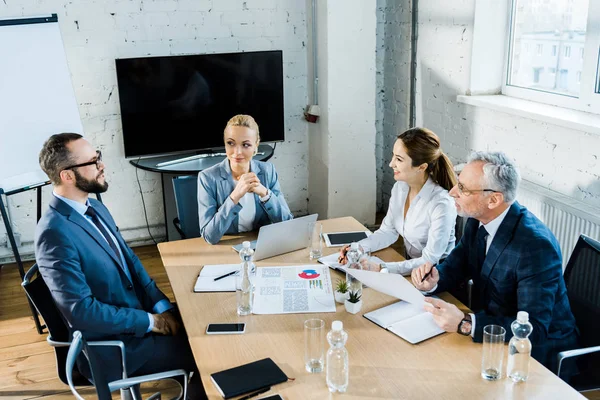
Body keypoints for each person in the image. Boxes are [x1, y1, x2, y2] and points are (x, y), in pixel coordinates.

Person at [35, 133, 206, 399]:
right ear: (67, 175)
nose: (102, 165)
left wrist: (163, 307)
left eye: (98, 156)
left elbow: (131, 262)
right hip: (116, 349)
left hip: (135, 318)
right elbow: (82, 311)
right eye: (93, 161)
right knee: (206, 352)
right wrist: (152, 322)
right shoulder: (54, 234)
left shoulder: (93, 207)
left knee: (205, 320)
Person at [412, 151, 578, 373]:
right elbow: (457, 265)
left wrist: (465, 323)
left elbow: (534, 329)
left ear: (493, 199)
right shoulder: (477, 218)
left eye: (462, 189)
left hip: (537, 358)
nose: (452, 192)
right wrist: (434, 280)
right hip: (492, 337)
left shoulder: (535, 247)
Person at [339, 127, 457, 275]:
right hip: (409, 269)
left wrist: (382, 268)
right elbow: (388, 232)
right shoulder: (400, 188)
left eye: (399, 159)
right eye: (393, 156)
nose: (391, 164)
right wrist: (357, 248)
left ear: (421, 167)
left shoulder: (441, 204)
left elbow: (429, 260)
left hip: (436, 276)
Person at [197, 114, 293, 244]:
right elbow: (209, 236)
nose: (237, 152)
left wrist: (265, 194)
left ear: (256, 145)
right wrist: (234, 197)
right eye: (231, 143)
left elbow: (288, 224)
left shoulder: (267, 171)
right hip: (226, 248)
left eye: (246, 145)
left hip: (261, 245)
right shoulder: (207, 178)